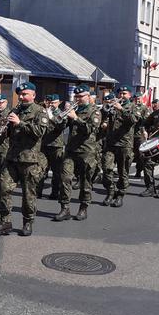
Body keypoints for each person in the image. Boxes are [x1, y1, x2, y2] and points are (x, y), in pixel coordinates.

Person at [0, 82, 48, 236]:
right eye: (20, 95)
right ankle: (5, 221)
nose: (21, 97)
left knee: (28, 193)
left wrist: (19, 123)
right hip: (12, 157)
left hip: (29, 159)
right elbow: (9, 130)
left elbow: (39, 132)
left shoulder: (40, 111)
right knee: (3, 188)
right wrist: (4, 125)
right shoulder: (16, 109)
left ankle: (28, 221)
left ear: (33, 95)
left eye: (25, 94)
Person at [54, 84, 102, 222]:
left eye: (81, 96)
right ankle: (65, 208)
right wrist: (62, 118)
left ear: (88, 96)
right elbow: (60, 127)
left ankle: (83, 207)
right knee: (65, 178)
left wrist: (75, 118)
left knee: (85, 181)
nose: (78, 99)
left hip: (87, 151)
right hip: (70, 150)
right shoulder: (73, 109)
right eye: (76, 96)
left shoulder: (95, 111)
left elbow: (90, 129)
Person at [101, 86, 139, 208]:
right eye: (120, 93)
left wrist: (121, 109)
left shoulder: (133, 106)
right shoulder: (113, 105)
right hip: (111, 143)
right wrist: (105, 117)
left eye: (124, 93)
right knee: (106, 168)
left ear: (129, 95)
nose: (121, 95)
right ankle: (110, 191)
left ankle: (120, 195)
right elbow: (104, 116)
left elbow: (133, 120)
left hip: (125, 144)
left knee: (123, 172)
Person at [37, 94, 65, 200]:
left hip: (56, 145)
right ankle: (38, 191)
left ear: (58, 103)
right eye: (49, 103)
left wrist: (51, 116)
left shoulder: (62, 113)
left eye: (53, 103)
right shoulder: (43, 112)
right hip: (43, 144)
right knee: (41, 169)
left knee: (56, 171)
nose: (51, 105)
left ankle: (54, 192)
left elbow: (60, 127)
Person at [132, 92, 150, 178]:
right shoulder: (131, 107)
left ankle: (139, 170)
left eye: (138, 98)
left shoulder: (144, 108)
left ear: (141, 99)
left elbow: (146, 121)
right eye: (136, 98)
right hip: (130, 134)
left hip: (139, 134)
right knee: (130, 153)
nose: (137, 100)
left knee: (139, 154)